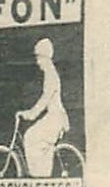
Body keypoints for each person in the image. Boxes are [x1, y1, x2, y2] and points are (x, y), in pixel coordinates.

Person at [16, 37, 70, 177]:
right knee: (40, 144)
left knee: (30, 137)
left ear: (46, 57)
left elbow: (45, 99)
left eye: (39, 57)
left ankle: (38, 175)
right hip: (53, 117)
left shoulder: (51, 74)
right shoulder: (50, 73)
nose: (37, 61)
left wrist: (31, 114)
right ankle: (42, 173)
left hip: (55, 118)